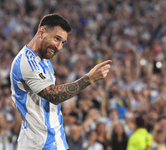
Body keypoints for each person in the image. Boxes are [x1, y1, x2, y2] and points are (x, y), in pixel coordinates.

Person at [10, 13, 111, 150]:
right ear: (41, 32)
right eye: (56, 39)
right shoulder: (27, 62)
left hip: (54, 139)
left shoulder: (44, 61)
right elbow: (54, 95)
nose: (59, 47)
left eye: (63, 42)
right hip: (40, 143)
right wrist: (89, 78)